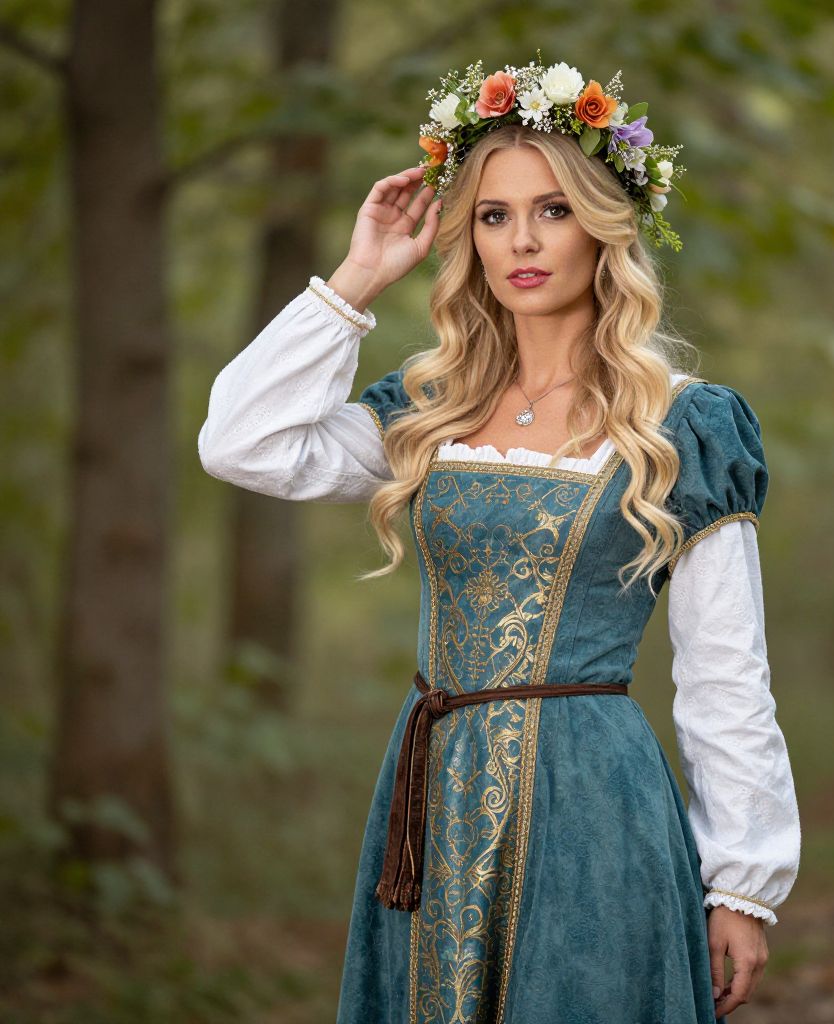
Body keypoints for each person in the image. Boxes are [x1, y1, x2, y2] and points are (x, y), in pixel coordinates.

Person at [198, 58, 800, 1024]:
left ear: (604, 224)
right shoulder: (433, 411)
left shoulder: (681, 427)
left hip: (592, 805)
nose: (521, 240)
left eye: (553, 210)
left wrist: (743, 884)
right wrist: (357, 278)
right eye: (492, 214)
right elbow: (240, 442)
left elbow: (725, 672)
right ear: (467, 234)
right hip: (431, 795)